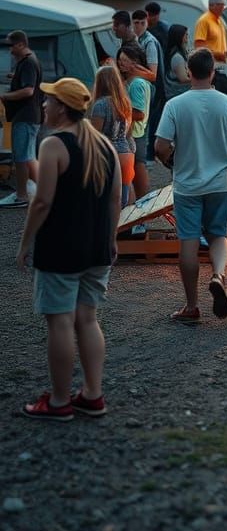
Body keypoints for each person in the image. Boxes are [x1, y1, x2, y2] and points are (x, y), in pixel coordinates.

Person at [16, 77, 121, 420]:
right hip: (96, 249)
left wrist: (24, 243)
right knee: (87, 319)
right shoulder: (105, 145)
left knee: (60, 322)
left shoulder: (53, 145)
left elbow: (42, 201)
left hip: (61, 249)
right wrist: (112, 240)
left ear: (62, 107)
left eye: (49, 101)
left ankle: (59, 401)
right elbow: (116, 200)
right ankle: (93, 394)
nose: (44, 105)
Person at [155, 48, 227, 323]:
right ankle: (218, 275)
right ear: (213, 71)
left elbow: (160, 146)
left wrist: (171, 161)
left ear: (189, 72)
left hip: (187, 185)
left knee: (188, 241)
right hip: (221, 184)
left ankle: (191, 307)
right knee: (217, 234)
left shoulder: (175, 105)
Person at [1, 30, 43, 207]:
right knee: (28, 156)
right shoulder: (27, 62)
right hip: (29, 116)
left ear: (20, 45)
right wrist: (15, 77)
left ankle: (21, 196)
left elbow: (28, 91)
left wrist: (4, 96)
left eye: (11, 46)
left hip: (25, 116)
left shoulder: (28, 63)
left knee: (21, 157)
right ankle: (42, 191)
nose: (9, 50)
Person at [89, 66, 135, 208]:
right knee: (122, 201)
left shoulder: (100, 105)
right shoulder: (124, 102)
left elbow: (96, 136)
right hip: (126, 153)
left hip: (107, 155)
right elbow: (127, 132)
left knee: (105, 203)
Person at [118, 42, 151, 202]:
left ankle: (142, 212)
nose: (120, 63)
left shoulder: (136, 84)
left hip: (135, 133)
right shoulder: (137, 82)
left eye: (124, 60)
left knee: (137, 170)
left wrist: (118, 110)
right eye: (120, 60)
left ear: (135, 63)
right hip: (139, 132)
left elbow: (139, 113)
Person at [133, 8, 165, 163]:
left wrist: (131, 69)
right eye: (136, 23)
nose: (139, 26)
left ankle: (146, 160)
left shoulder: (149, 42)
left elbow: (153, 74)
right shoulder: (137, 40)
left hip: (150, 90)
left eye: (142, 23)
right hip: (142, 88)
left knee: (144, 127)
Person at [193, 0, 227, 94]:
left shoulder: (218, 21)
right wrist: (221, 54)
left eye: (223, 6)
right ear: (212, 5)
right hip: (211, 71)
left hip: (220, 70)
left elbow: (217, 45)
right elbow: (199, 47)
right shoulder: (204, 21)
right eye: (220, 6)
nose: (223, 9)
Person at [163, 24, 191, 100]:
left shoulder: (179, 53)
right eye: (186, 35)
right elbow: (183, 79)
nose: (187, 39)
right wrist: (200, 78)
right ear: (180, 37)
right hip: (177, 93)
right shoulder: (177, 57)